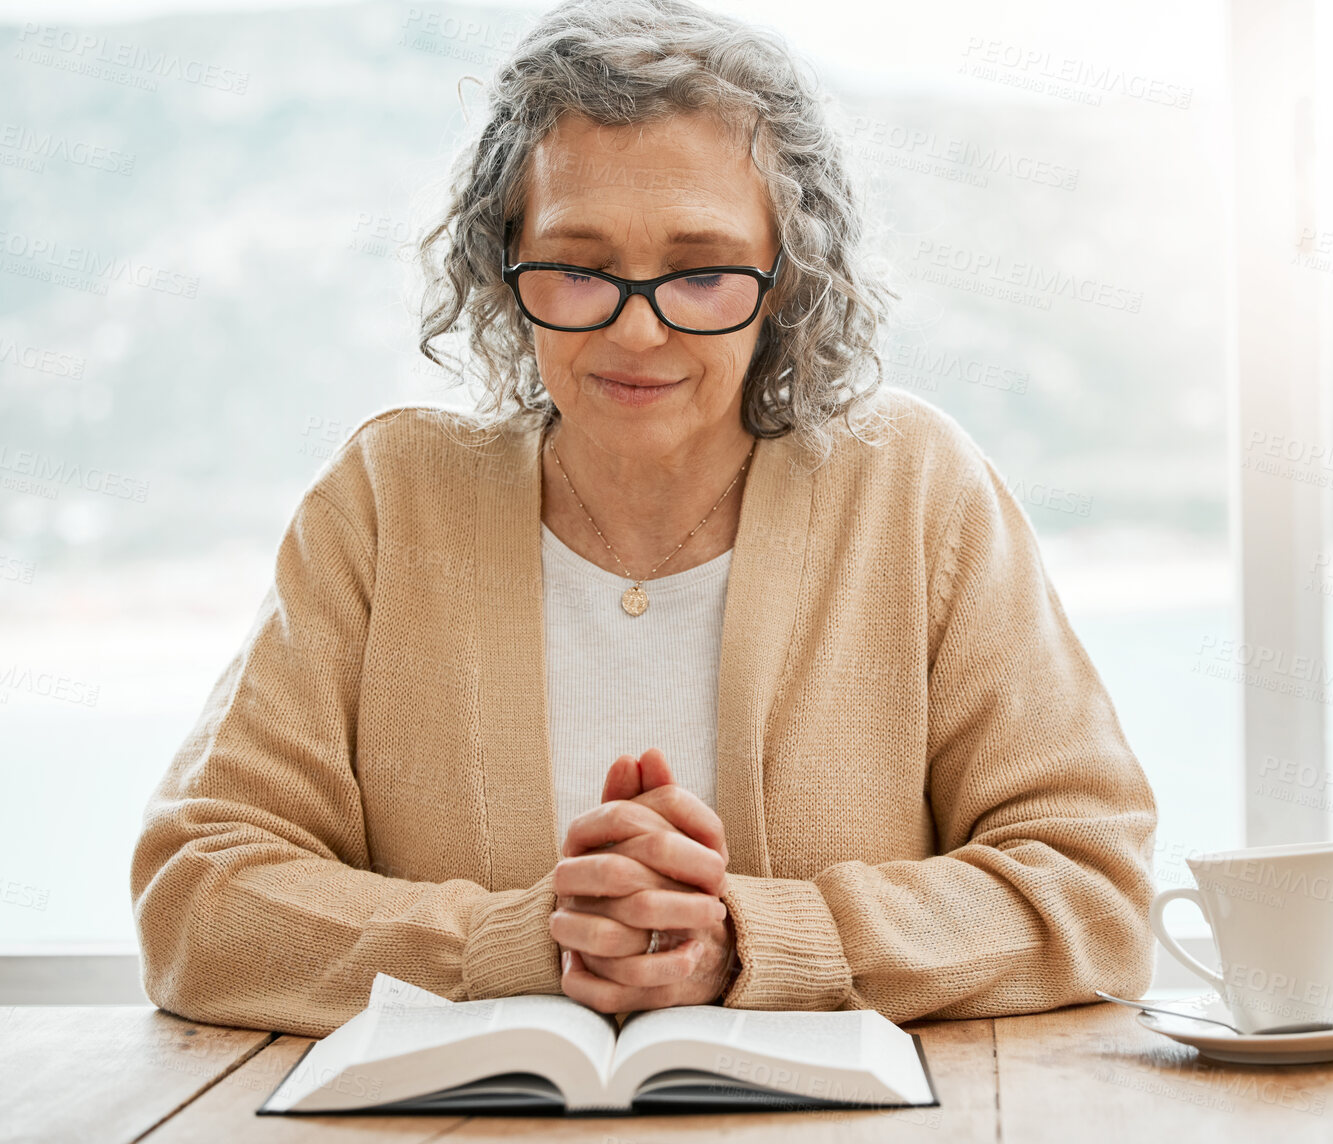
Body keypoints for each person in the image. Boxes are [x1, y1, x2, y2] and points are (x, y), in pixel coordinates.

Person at [130, 0, 1157, 1038]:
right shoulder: (388, 501)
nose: (634, 326)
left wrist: (748, 942)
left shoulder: (916, 488)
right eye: (578, 267)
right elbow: (200, 897)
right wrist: (526, 942)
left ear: (786, 277)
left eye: (702, 272)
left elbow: (1090, 886)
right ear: (503, 263)